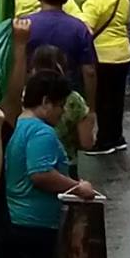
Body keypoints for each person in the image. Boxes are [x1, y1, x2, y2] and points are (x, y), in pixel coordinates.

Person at [3, 71, 98, 258]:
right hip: (37, 227)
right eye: (60, 105)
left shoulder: (20, 126)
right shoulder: (41, 132)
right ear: (46, 102)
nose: (63, 111)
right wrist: (78, 187)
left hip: (20, 222)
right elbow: (41, 174)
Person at [81, 0, 130, 155]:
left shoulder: (94, 1)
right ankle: (117, 137)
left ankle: (104, 141)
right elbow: (126, 22)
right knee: (117, 99)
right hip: (123, 54)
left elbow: (86, 27)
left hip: (103, 56)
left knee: (102, 100)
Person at [26, 0, 97, 106]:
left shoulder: (25, 26)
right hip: (68, 100)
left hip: (33, 100)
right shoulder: (79, 28)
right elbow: (89, 71)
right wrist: (91, 107)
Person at [31, 44, 95, 177]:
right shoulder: (73, 100)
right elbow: (86, 143)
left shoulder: (25, 96)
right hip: (66, 165)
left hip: (31, 164)